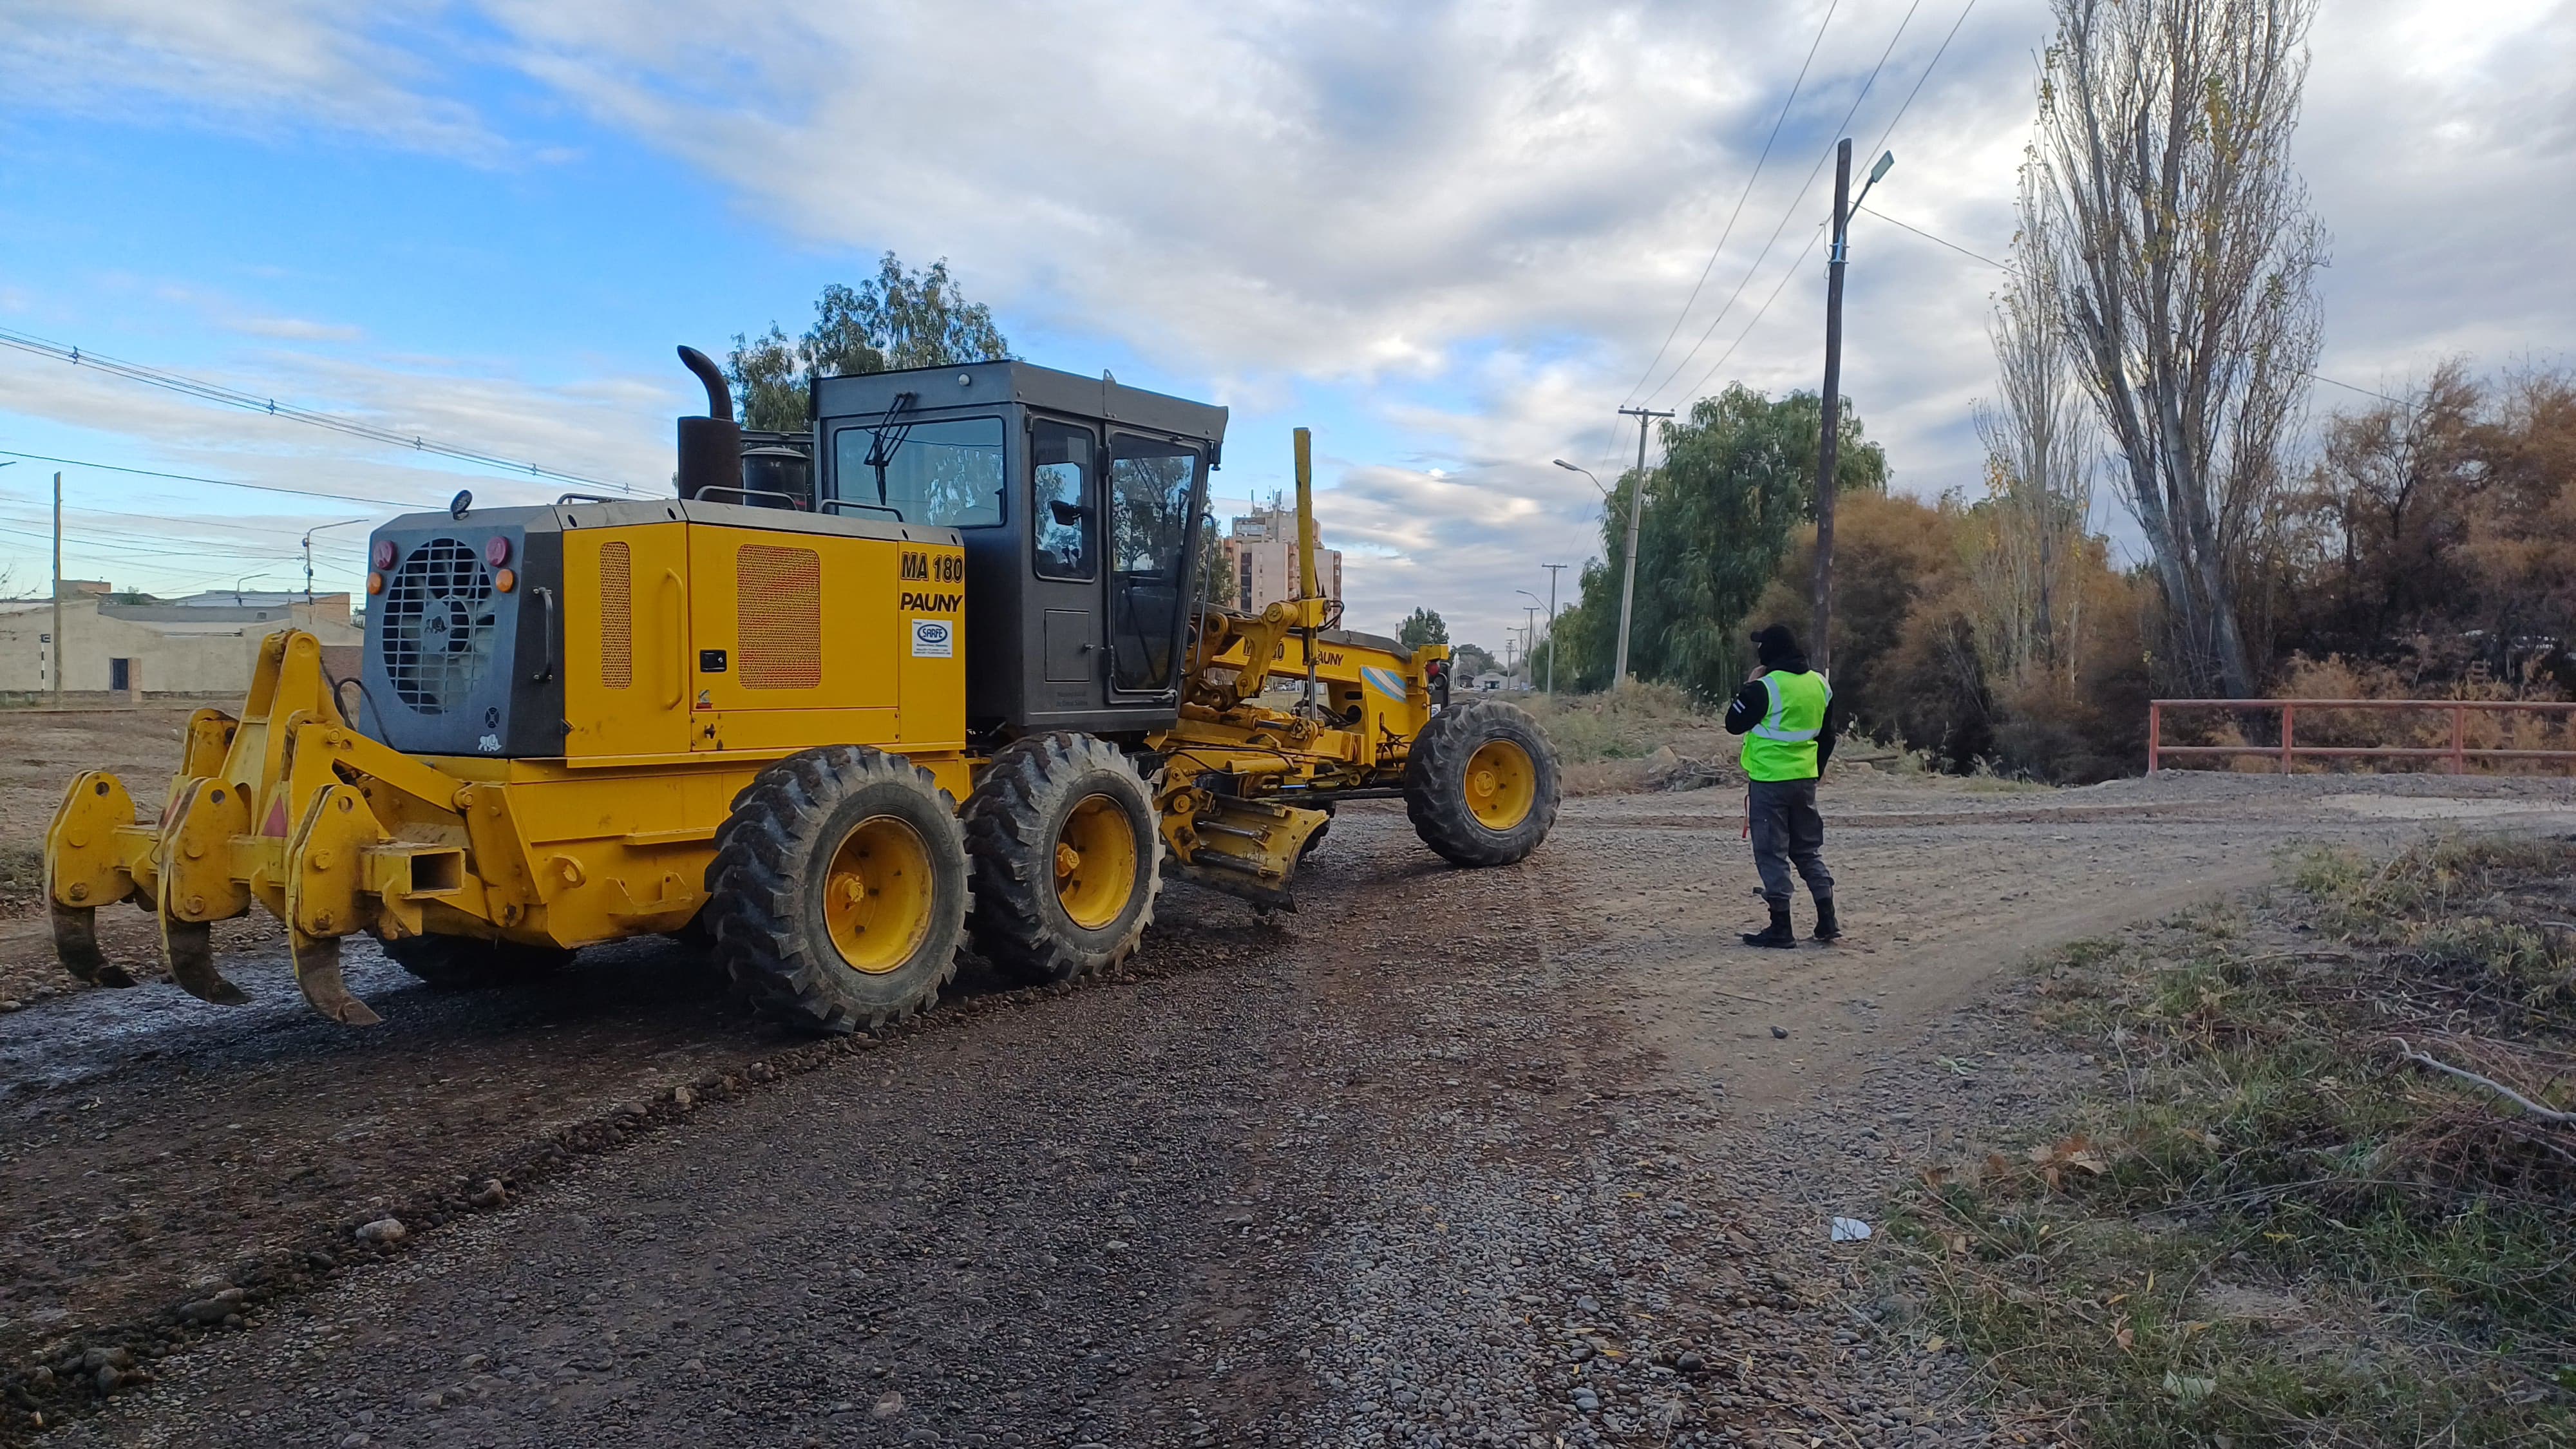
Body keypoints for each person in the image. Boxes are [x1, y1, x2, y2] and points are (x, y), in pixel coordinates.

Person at [1723, 624, 1841, 947]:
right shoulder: (1820, 684)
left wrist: (1749, 685)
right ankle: (1827, 919)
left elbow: (1733, 723)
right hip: (1805, 781)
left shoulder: (1766, 688)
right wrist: (1815, 772)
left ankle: (1781, 927)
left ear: (1768, 652)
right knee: (1806, 849)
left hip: (1770, 782)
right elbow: (1828, 736)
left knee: (1771, 852)